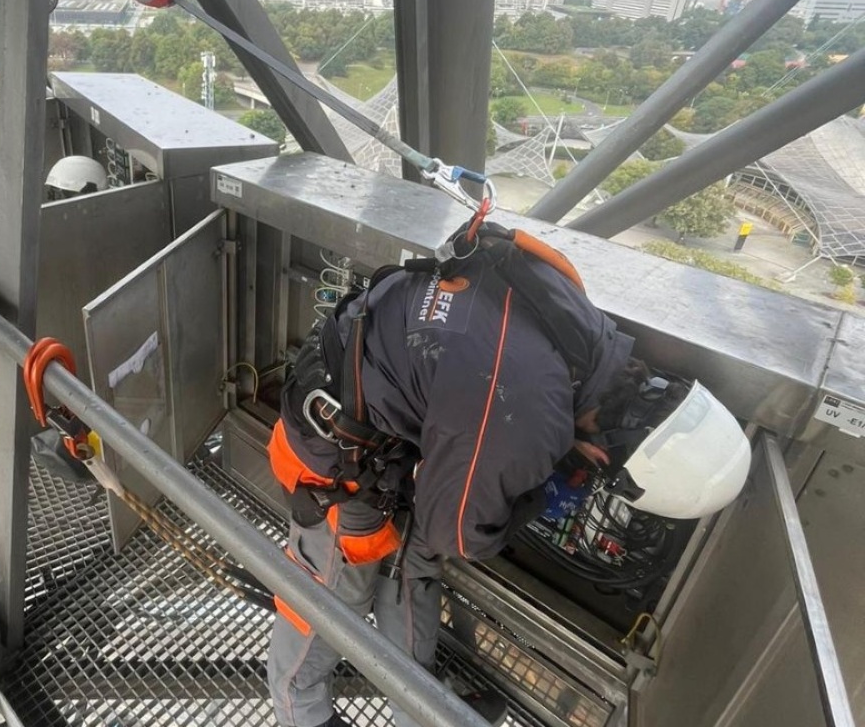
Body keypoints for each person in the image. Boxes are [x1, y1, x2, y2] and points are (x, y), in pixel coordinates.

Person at [265, 222, 750, 727]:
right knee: (337, 586)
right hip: (332, 456)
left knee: (413, 560)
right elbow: (455, 534)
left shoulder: (584, 326)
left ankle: (416, 708)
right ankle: (300, 711)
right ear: (605, 459)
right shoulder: (531, 419)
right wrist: (539, 495)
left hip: (374, 399)